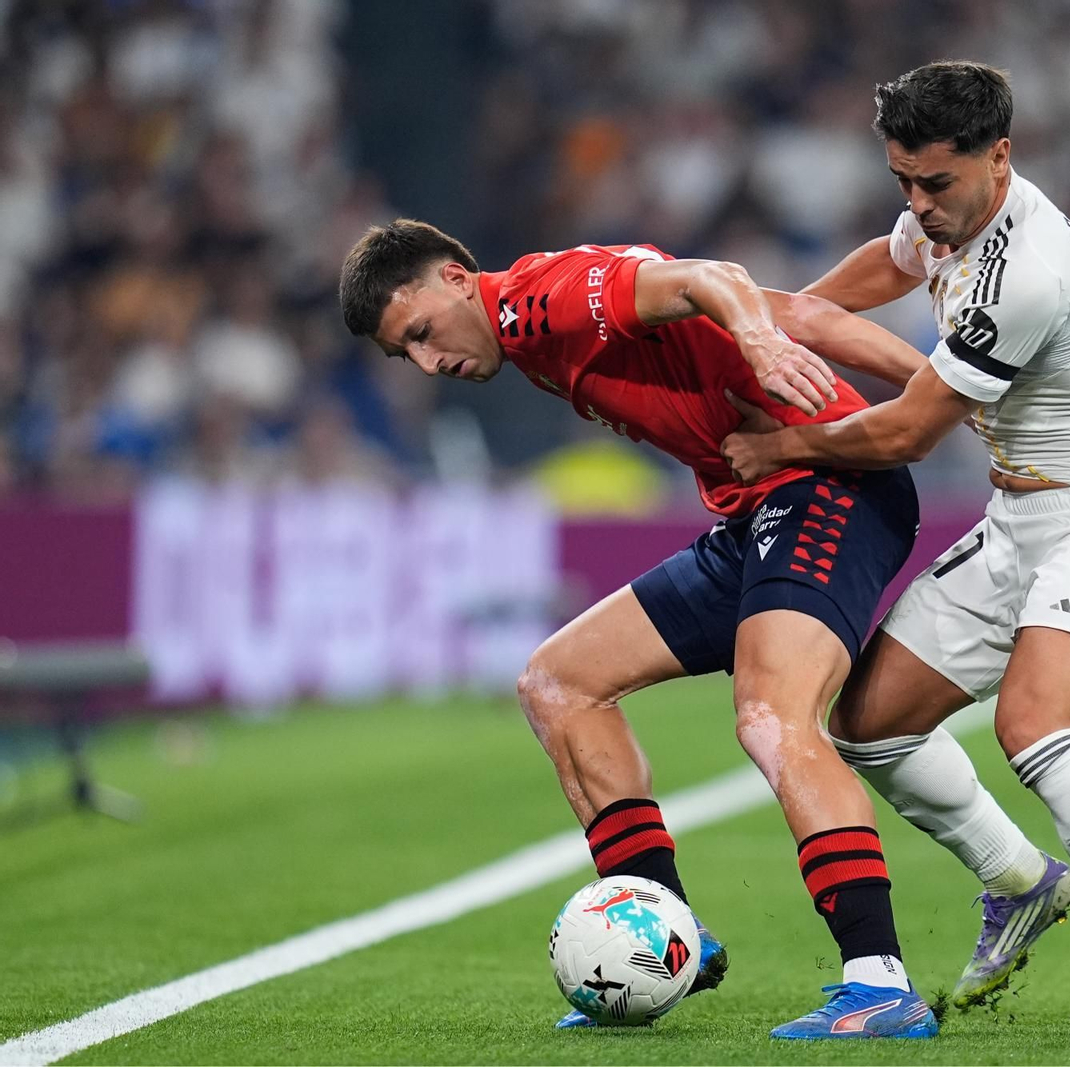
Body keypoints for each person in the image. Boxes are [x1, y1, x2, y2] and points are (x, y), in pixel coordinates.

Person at [338, 221, 939, 1040]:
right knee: (558, 683)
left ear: (453, 278)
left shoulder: (537, 302)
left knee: (772, 716)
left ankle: (879, 980)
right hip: (762, 509)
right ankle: (669, 936)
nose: (427, 362)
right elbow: (799, 311)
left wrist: (759, 345)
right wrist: (948, 391)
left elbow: (714, 278)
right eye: (402, 354)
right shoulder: (536, 330)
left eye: (420, 334)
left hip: (827, 486)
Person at [721, 61, 1070, 1038]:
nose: (918, 204)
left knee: (1035, 725)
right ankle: (1017, 879)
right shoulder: (949, 210)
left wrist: (779, 441)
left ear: (999, 158)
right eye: (902, 180)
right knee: (867, 723)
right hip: (1016, 524)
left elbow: (909, 431)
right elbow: (891, 257)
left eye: (935, 184)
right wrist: (780, 323)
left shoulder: (1023, 273)